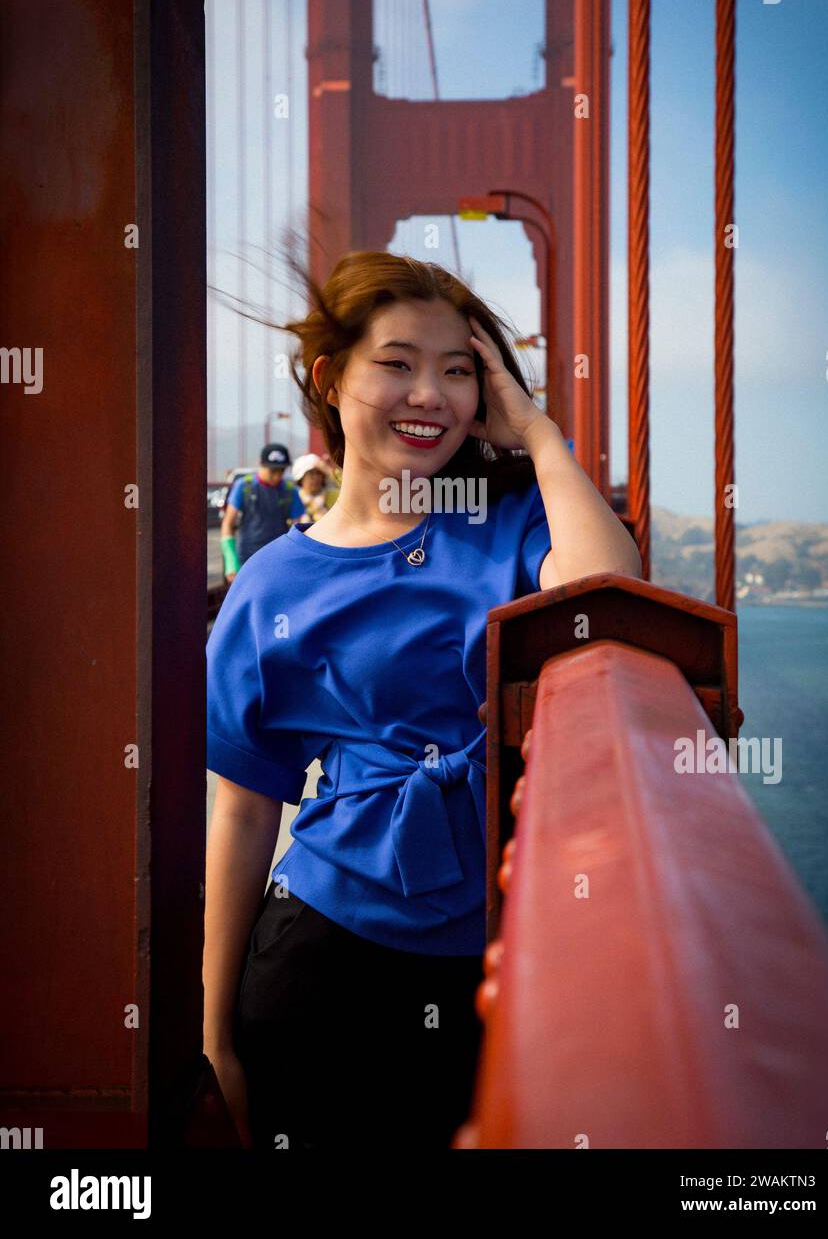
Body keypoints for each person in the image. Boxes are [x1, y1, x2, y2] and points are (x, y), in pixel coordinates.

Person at [203, 251, 642, 1152]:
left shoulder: (514, 517)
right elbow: (245, 813)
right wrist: (213, 1037)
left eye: (458, 372)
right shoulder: (271, 584)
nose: (429, 395)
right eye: (397, 364)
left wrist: (541, 436)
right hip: (321, 969)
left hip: (506, 963)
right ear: (331, 380)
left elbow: (606, 595)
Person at [219, 444, 305, 582]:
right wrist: (231, 561)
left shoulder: (290, 492)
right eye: (272, 471)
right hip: (246, 559)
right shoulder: (244, 486)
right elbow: (228, 523)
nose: (277, 476)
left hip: (278, 559)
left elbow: (298, 526)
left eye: (281, 471)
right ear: (260, 464)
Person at [289, 452, 340, 524]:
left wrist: (328, 471)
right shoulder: (293, 498)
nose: (316, 478)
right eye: (311, 474)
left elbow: (351, 491)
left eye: (318, 473)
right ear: (300, 478)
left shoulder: (333, 496)